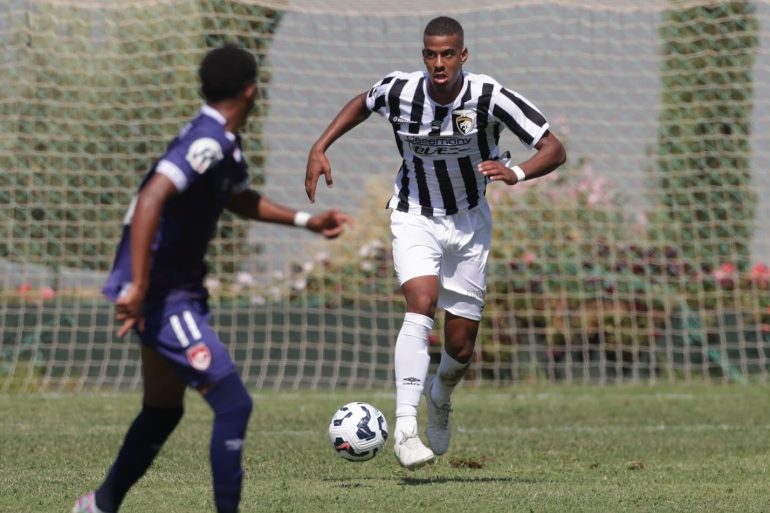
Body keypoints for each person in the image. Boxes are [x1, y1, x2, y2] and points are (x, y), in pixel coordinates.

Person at [73, 45, 351, 513]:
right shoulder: (208, 142)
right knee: (233, 404)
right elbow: (150, 199)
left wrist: (309, 221)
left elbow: (239, 199)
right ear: (250, 90)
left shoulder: (223, 142)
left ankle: (99, 506)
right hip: (162, 295)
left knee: (163, 410)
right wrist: (139, 286)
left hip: (174, 290)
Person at [305, 16, 566, 470]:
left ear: (463, 55)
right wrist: (320, 145)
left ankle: (439, 394)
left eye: (448, 54)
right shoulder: (400, 91)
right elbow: (363, 102)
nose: (439, 63)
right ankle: (405, 429)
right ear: (423, 55)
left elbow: (553, 148)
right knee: (420, 302)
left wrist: (517, 172)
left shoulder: (489, 96)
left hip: (469, 224)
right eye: (431, 54)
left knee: (461, 347)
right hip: (414, 214)